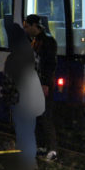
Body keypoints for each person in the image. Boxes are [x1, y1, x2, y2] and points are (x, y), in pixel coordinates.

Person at [4, 23, 45, 170]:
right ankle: (30, 162)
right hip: (32, 98)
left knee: (22, 131)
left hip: (18, 99)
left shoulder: (13, 57)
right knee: (29, 130)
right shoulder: (33, 55)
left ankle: (26, 164)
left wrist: (7, 98)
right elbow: (39, 74)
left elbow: (8, 81)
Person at [23, 14, 58, 161]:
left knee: (45, 116)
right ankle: (42, 146)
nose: (25, 29)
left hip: (43, 84)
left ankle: (52, 149)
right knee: (38, 116)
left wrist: (44, 83)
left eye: (26, 26)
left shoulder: (47, 42)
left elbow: (49, 64)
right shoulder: (36, 40)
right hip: (36, 83)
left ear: (33, 26)